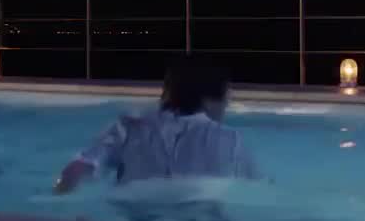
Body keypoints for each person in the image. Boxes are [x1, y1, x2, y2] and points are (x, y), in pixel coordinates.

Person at [55, 56, 259, 193]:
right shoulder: (230, 140)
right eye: (226, 98)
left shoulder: (128, 126)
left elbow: (77, 170)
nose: (226, 105)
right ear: (209, 100)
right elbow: (254, 190)